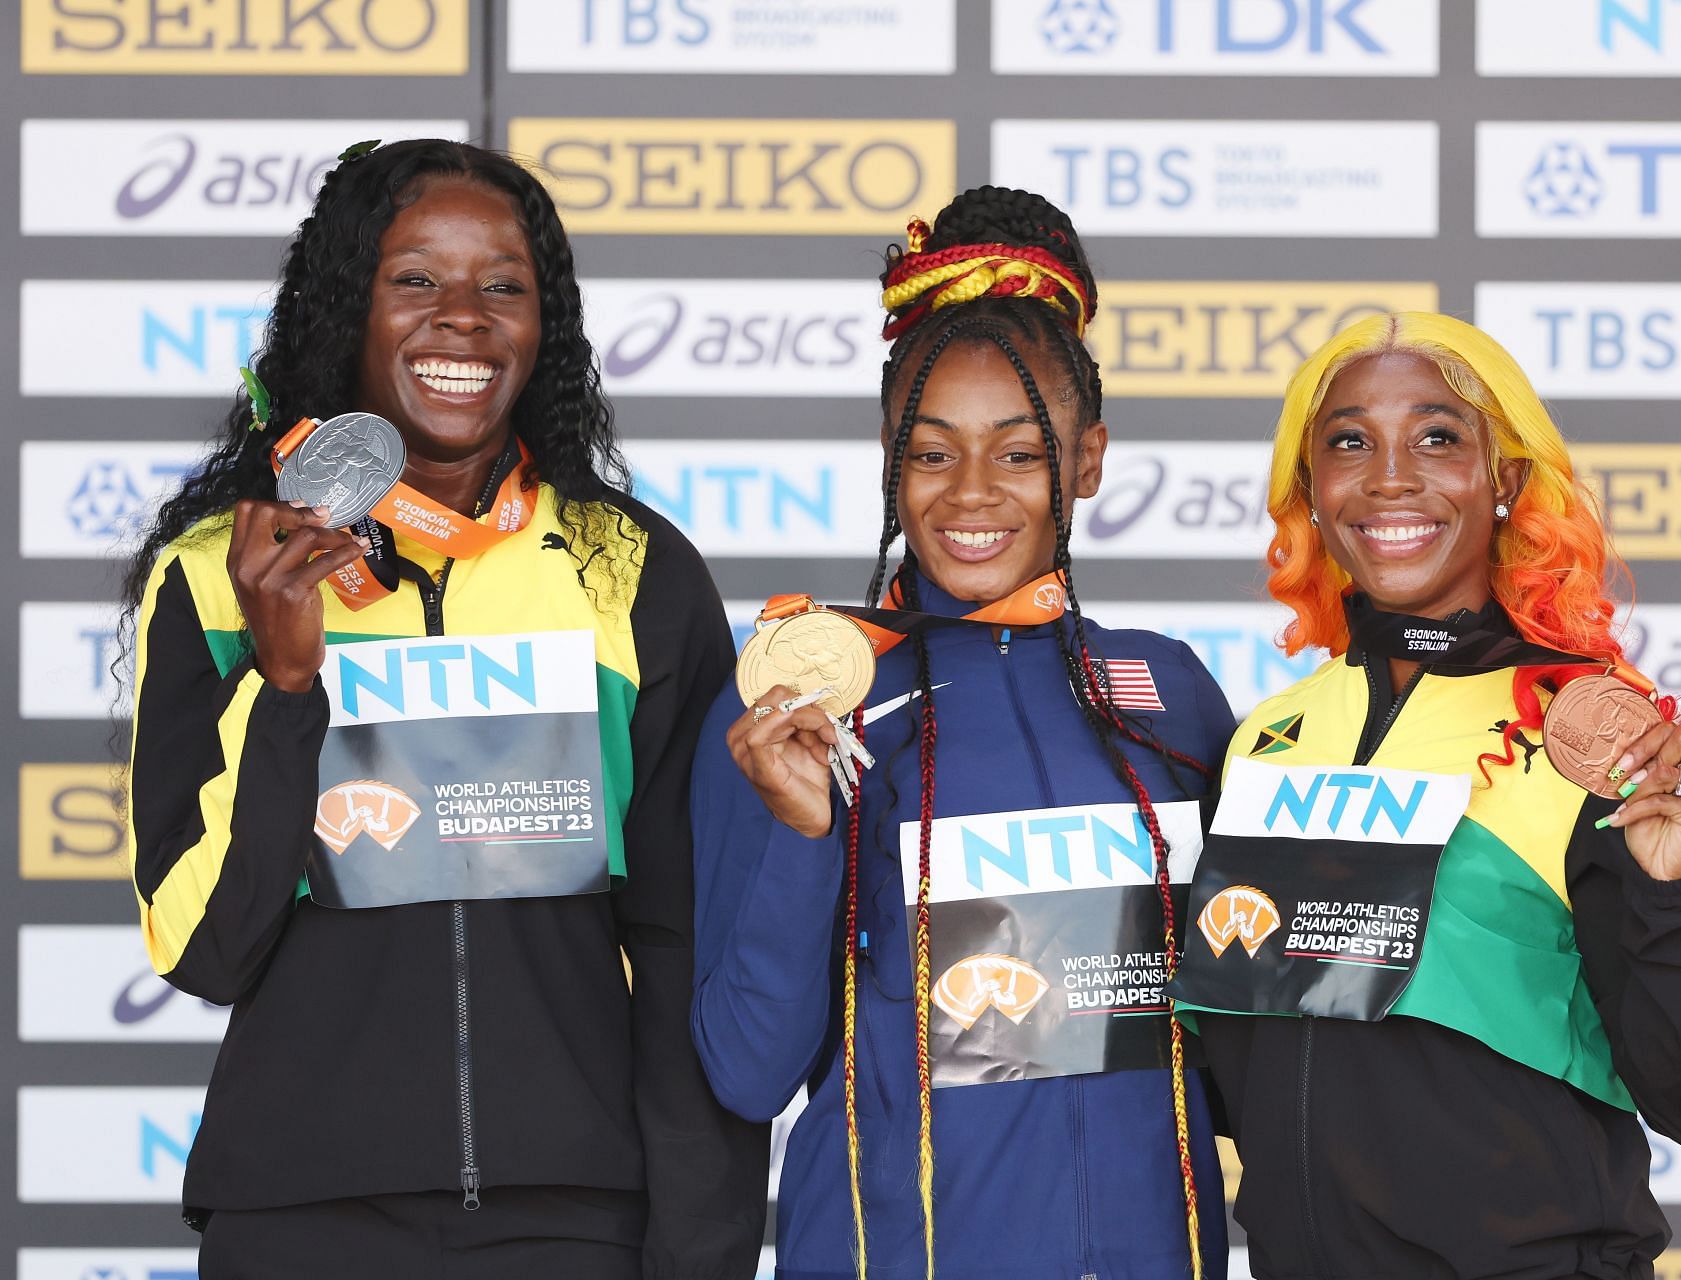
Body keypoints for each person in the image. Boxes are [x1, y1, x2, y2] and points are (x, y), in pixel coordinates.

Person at [122, 139, 766, 1279]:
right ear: (346, 310)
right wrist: (283, 687)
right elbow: (208, 945)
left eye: (502, 284)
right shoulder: (226, 574)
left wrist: (701, 1246)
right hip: (300, 1208)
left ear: (543, 322)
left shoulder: (630, 572)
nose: (462, 317)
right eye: (415, 278)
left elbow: (681, 944)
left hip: (571, 1214)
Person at [690, 187, 1233, 1279]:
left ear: (1086, 462)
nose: (970, 495)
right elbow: (748, 1071)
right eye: (932, 453)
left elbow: (1242, 1036)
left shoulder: (1167, 694)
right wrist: (802, 838)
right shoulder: (804, 702)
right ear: (890, 452)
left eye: (1020, 452)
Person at [1169, 312, 1681, 1280]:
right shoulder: (1268, 735)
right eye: (1349, 441)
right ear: (1310, 489)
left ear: (1505, 480)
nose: (1391, 474)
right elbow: (1249, 1064)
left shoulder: (1587, 728)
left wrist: (1674, 889)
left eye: (1438, 437)